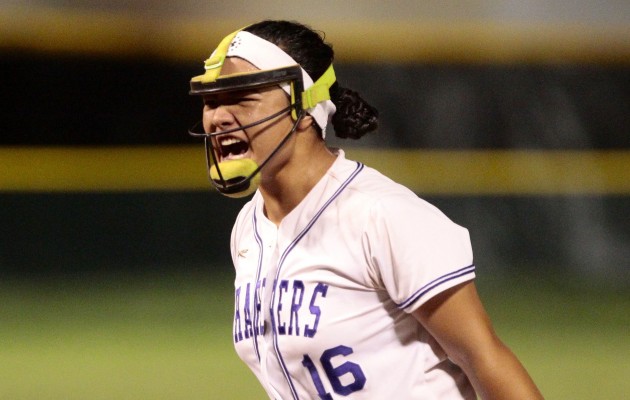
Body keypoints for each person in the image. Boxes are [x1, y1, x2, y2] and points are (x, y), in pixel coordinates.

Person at [187, 20, 543, 400]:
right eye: (211, 101)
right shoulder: (249, 228)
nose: (218, 116)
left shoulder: (381, 215)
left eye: (241, 97)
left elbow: (484, 359)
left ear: (304, 106)